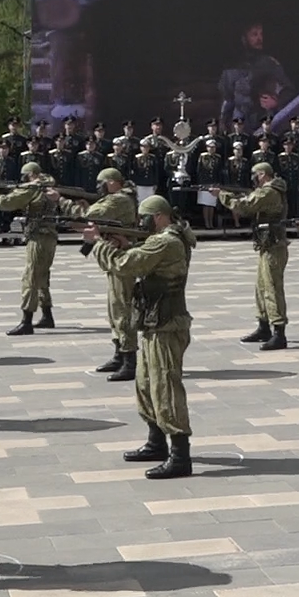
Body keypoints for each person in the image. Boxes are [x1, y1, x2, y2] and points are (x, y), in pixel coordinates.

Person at [83, 195, 195, 480]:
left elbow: (126, 265)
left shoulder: (166, 241)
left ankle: (180, 455)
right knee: (146, 385)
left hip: (167, 326)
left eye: (145, 218)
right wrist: (124, 243)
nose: (141, 223)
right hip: (153, 323)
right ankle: (156, 443)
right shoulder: (163, 239)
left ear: (158, 216)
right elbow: (140, 256)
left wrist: (100, 244)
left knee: (165, 388)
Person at [0, 162, 76, 334]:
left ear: (31, 175)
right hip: (49, 235)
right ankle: (47, 315)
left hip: (38, 236)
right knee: (42, 275)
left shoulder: (34, 188)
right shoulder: (47, 185)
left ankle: (26, 320)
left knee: (30, 277)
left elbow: (6, 203)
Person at [218, 162, 290, 350]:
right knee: (261, 287)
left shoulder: (269, 192)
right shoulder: (268, 190)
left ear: (263, 174)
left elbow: (245, 206)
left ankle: (279, 332)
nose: (253, 178)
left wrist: (222, 196)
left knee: (272, 288)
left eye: (255, 175)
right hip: (267, 245)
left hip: (274, 246)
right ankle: (264, 326)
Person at [82, 168, 140, 380]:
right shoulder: (116, 198)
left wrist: (64, 201)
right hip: (113, 257)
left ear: (113, 182)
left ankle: (129, 360)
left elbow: (91, 214)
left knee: (122, 310)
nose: (100, 187)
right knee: (113, 308)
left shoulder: (120, 199)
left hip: (122, 258)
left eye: (103, 183)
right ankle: (119, 353)